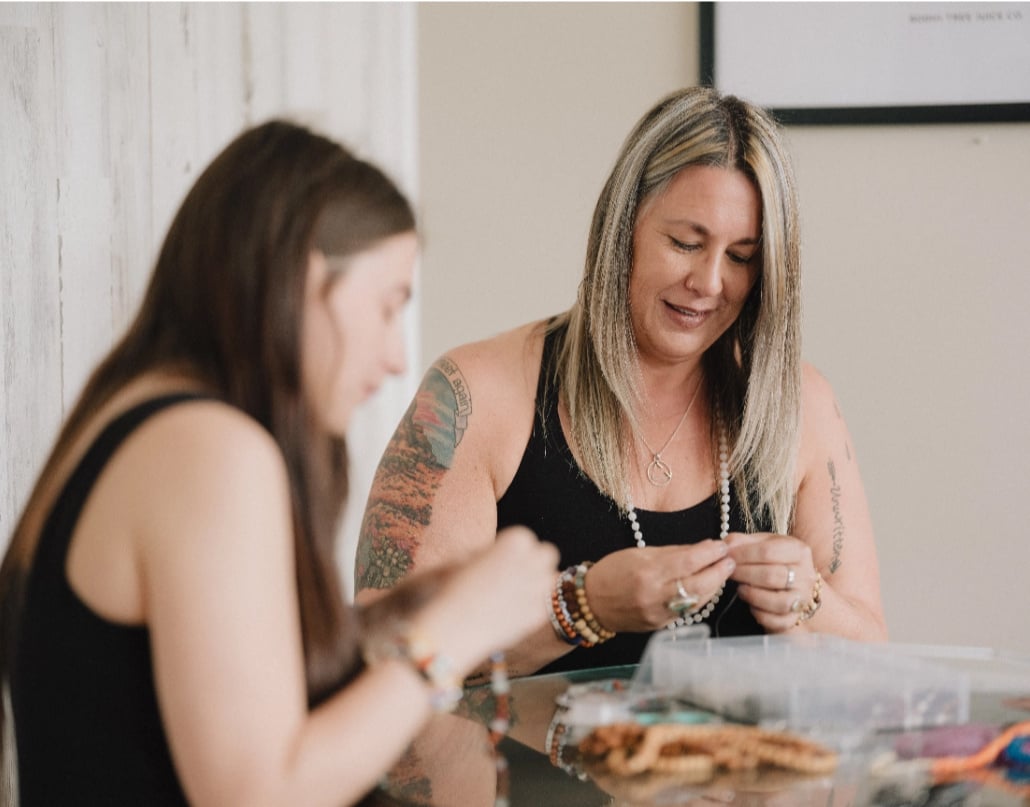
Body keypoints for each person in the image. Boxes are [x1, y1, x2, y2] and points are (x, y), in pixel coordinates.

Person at [0, 120, 558, 806]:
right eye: (388, 308)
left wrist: (400, 618)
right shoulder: (209, 449)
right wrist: (455, 631)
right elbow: (260, 793)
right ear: (303, 278)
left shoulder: (124, 419)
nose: (394, 358)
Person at [354, 86, 887, 680]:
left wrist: (807, 600)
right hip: (518, 774)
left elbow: (871, 655)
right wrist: (580, 607)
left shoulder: (803, 406)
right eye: (685, 243)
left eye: (741, 256)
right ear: (623, 226)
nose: (709, 282)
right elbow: (384, 658)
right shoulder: (474, 397)